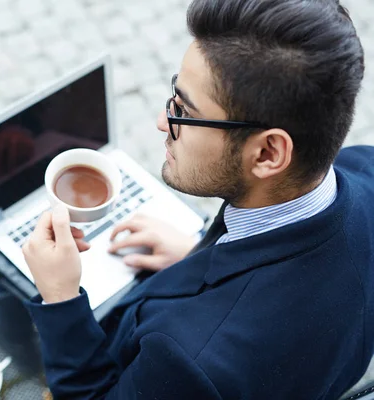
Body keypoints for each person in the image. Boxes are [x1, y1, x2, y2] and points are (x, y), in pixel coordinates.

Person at [22, 0, 374, 398]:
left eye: (184, 111)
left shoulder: (193, 361)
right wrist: (198, 256)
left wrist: (61, 300)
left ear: (268, 154)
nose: (162, 121)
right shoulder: (366, 169)